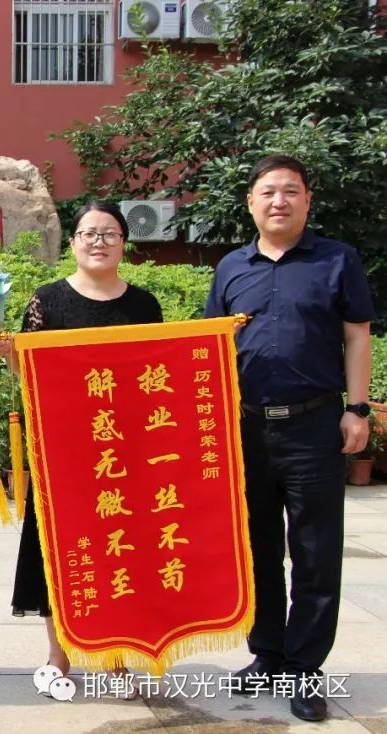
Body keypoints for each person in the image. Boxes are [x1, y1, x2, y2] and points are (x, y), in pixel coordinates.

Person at [204, 155, 374, 722]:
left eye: (291, 191)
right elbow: (210, 347)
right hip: (247, 427)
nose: (279, 201)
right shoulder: (231, 267)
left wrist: (357, 410)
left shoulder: (336, 259)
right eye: (269, 191)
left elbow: (357, 337)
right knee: (255, 548)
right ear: (251, 202)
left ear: (307, 200)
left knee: (316, 551)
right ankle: (268, 654)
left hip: (314, 425)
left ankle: (304, 667)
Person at [0, 199, 162, 699]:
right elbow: (29, 371)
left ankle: (117, 657)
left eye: (109, 234)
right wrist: (11, 352)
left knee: (120, 550)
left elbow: (156, 371)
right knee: (60, 550)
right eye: (89, 233)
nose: (98, 242)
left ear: (124, 243)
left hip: (123, 451)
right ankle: (58, 657)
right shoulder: (48, 300)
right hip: (61, 449)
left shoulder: (143, 306)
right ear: (74, 243)